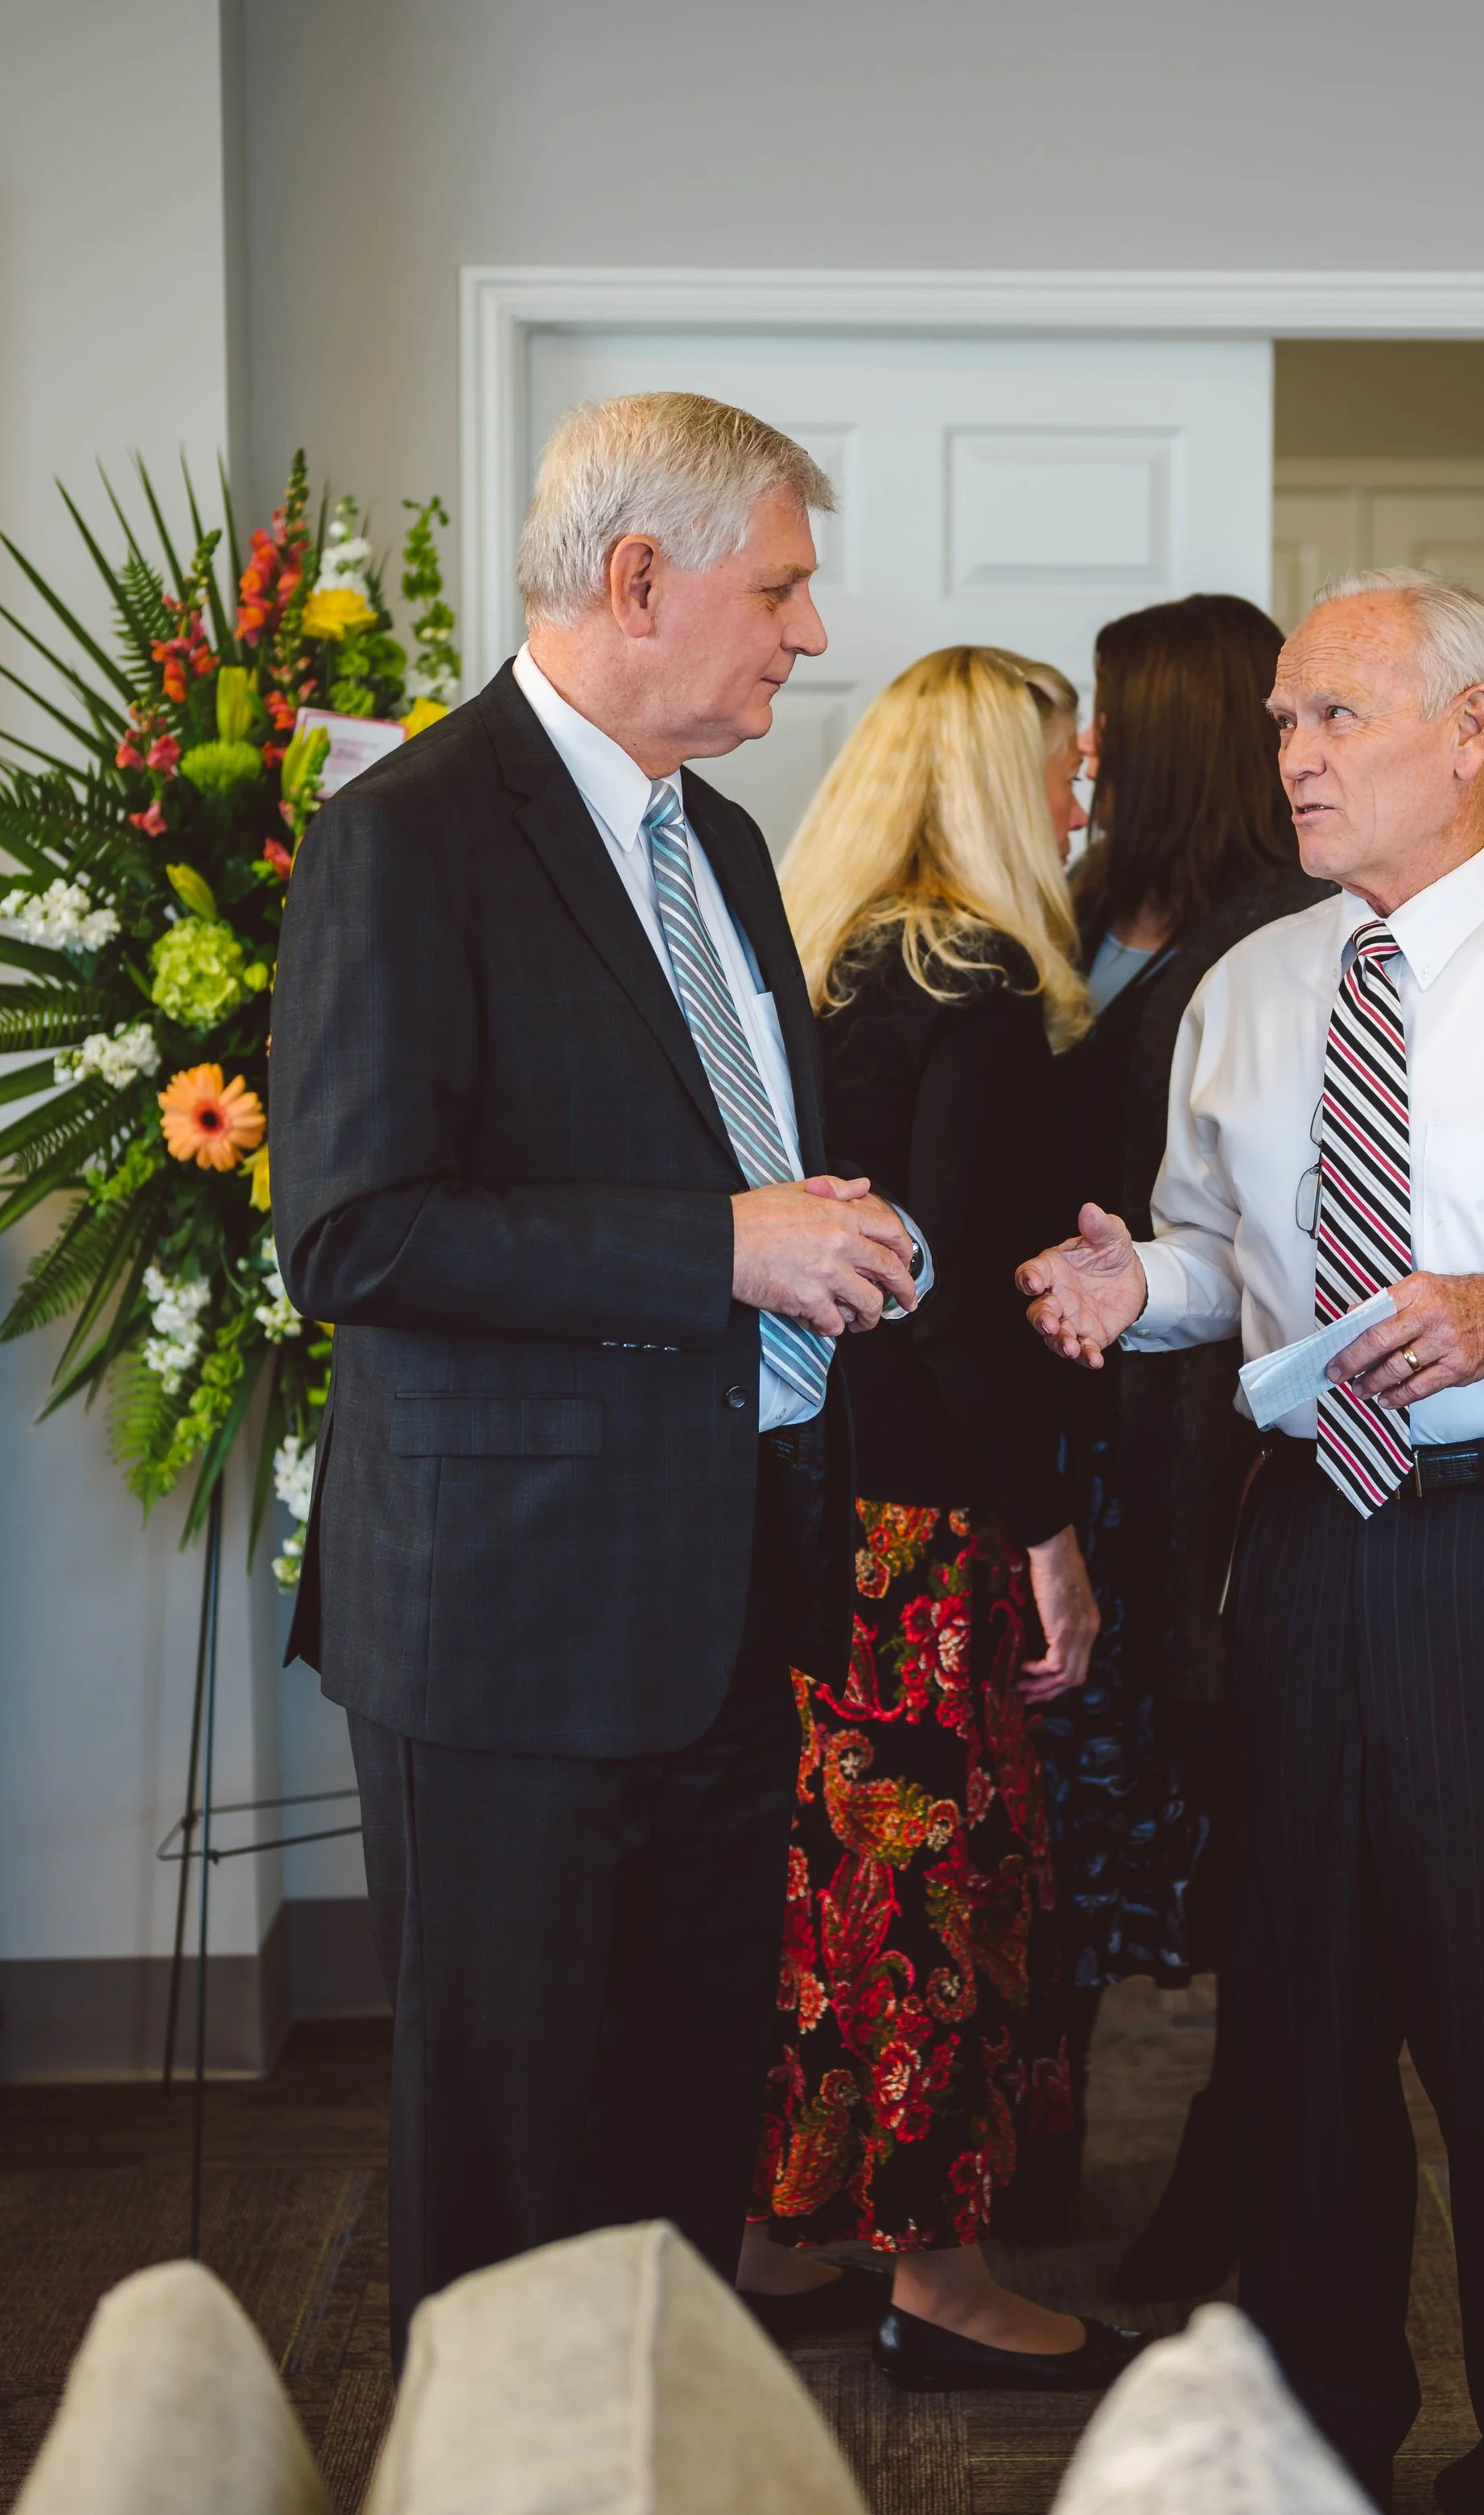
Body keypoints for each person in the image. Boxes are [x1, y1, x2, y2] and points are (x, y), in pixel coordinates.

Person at [1017, 567, 1484, 2511]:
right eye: (1283, 721)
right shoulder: (1252, 990)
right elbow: (1223, 1259)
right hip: (1309, 1560)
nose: (1293, 755)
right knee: (1299, 2033)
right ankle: (1311, 2440)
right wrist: (1144, 1284)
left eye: (1336, 716)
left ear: (1470, 733)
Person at [269, 392, 930, 2358]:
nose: (810, 635)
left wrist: (822, 1230)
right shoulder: (408, 836)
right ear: (641, 577)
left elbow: (689, 1151)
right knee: (515, 2180)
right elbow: (355, 1232)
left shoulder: (714, 837)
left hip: (723, 1602)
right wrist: (725, 1246)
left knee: (669, 2164)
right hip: (507, 1630)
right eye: (785, 586)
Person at [734, 646, 1143, 2395]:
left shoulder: (822, 959)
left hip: (805, 1491)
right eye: (1057, 766)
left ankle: (768, 2230)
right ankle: (943, 2277)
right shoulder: (969, 976)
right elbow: (962, 1297)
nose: (1077, 798)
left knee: (818, 1876)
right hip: (917, 1512)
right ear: (988, 777)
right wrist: (1048, 1530)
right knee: (927, 1884)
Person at [1035, 592, 1325, 2287]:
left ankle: (1244, 2180)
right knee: (1060, 1824)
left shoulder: (1274, 937)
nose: (1084, 747)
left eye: (1108, 715)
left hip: (1189, 1450)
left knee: (1231, 1827)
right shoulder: (1073, 910)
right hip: (1060, 1440)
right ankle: (1030, 2133)